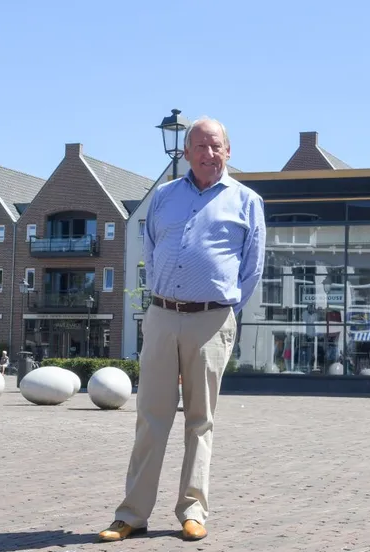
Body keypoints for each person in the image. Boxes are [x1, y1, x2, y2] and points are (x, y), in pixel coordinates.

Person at [98, 117, 266, 542]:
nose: (208, 154)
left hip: (212, 320)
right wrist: (164, 296)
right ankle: (132, 514)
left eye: (216, 146)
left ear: (228, 151)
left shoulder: (247, 201)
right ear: (187, 152)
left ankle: (192, 510)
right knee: (150, 417)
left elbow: (252, 269)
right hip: (161, 315)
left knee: (199, 420)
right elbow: (152, 250)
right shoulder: (164, 196)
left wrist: (222, 309)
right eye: (200, 146)